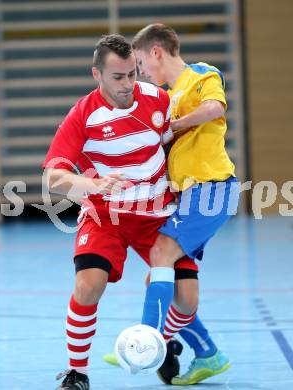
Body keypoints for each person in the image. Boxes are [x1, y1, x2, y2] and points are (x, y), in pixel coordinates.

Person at [44, 34, 205, 390]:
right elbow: (53, 176)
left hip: (157, 215)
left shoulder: (158, 100)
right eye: (118, 77)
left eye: (133, 73)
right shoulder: (82, 116)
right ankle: (77, 372)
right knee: (88, 287)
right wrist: (92, 186)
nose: (129, 84)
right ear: (96, 75)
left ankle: (160, 342)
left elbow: (170, 144)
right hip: (107, 217)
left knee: (188, 299)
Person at [130, 24, 240, 385]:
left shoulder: (202, 74)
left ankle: (149, 342)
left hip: (211, 188)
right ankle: (208, 353)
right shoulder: (164, 97)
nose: (143, 72)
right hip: (186, 196)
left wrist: (174, 127)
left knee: (161, 255)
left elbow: (212, 108)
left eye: (143, 63)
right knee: (172, 286)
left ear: (157, 52)